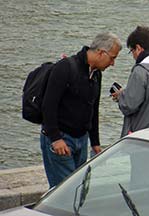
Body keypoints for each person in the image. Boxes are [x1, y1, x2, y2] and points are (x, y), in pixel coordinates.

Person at [41, 32, 122, 188]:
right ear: (100, 53)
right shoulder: (65, 68)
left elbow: (93, 108)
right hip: (61, 139)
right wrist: (56, 138)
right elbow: (48, 105)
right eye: (112, 58)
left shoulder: (96, 74)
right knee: (65, 190)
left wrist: (95, 143)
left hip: (81, 139)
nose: (112, 63)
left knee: (79, 188)